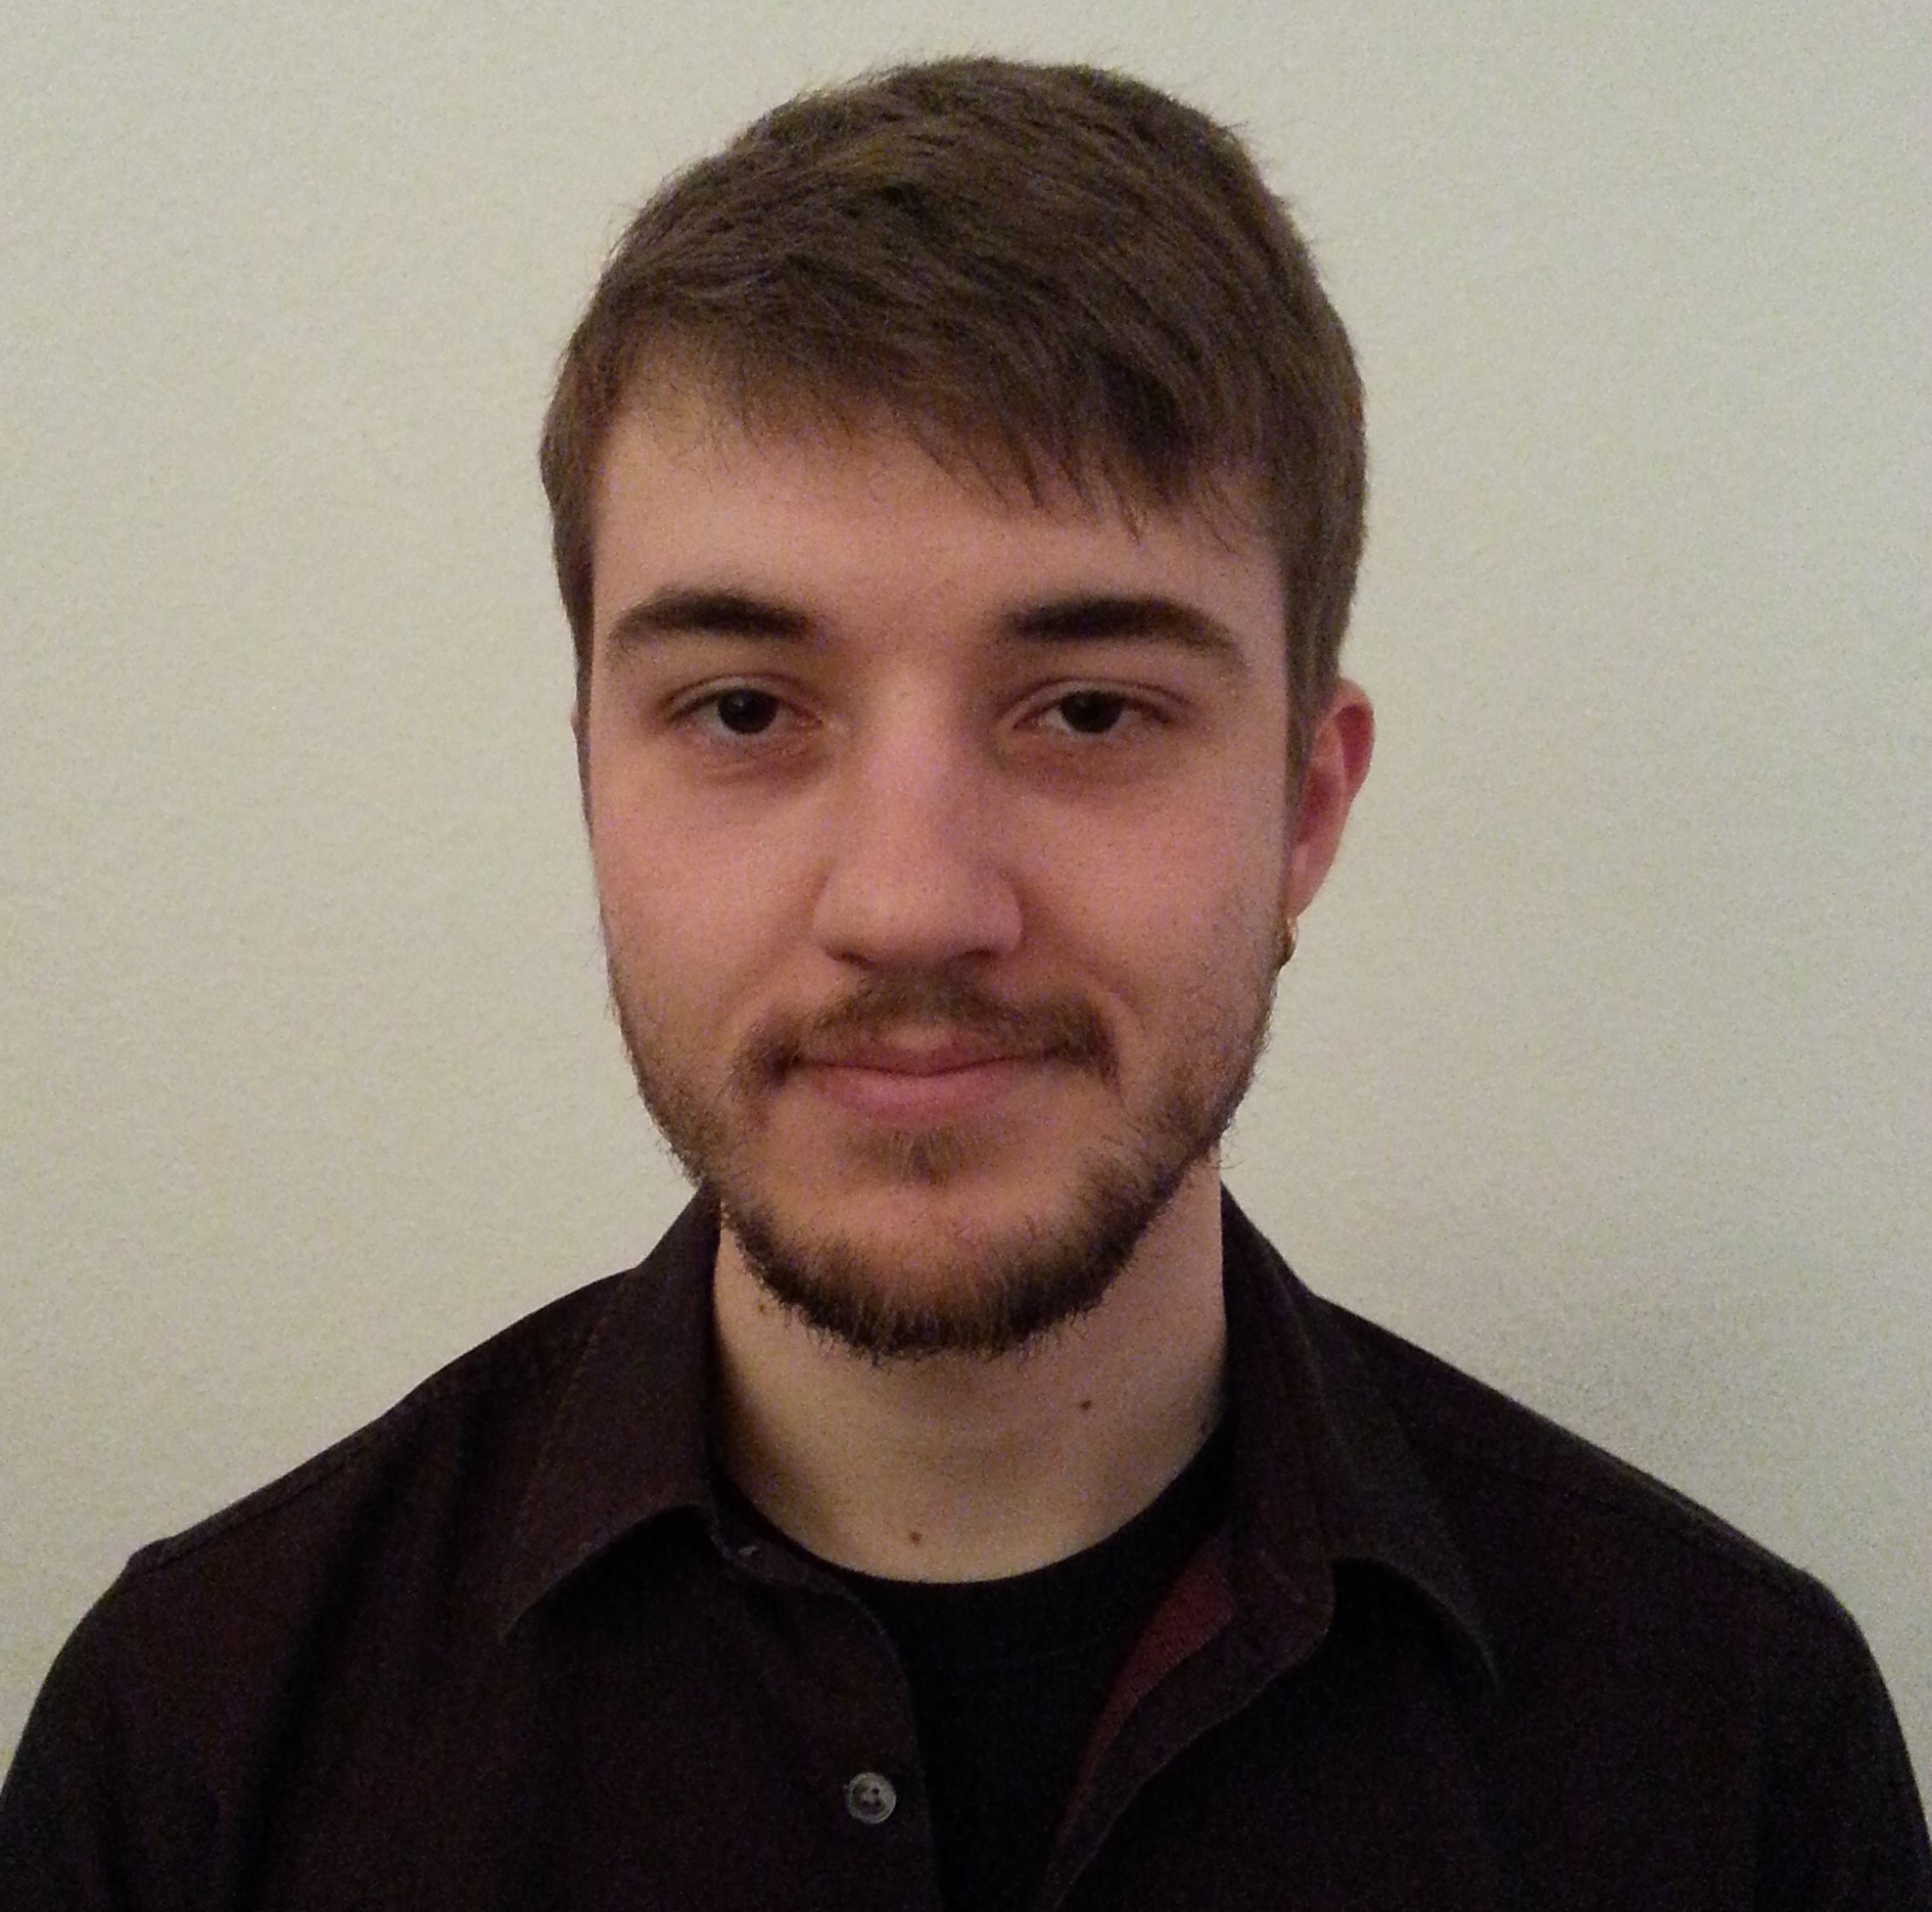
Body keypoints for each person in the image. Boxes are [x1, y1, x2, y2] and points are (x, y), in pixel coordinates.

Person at [1, 55, 1925, 1911]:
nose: (913, 905)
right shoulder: (196, 1753)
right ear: (591, 781)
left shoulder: (1734, 1755)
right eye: (742, 709)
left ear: (1305, 807)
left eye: (1087, 710)